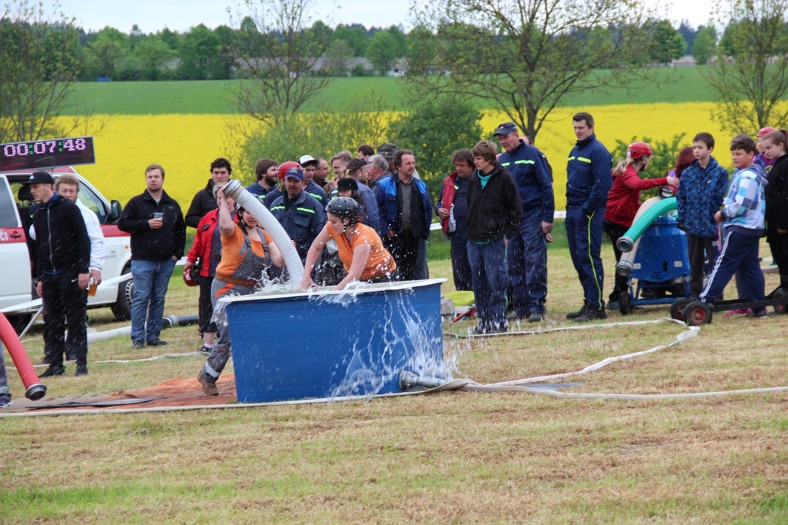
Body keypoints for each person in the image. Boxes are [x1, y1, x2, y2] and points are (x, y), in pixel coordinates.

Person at [197, 187, 285, 396]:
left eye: (256, 212)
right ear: (241, 213)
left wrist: (287, 248)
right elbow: (225, 224)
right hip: (226, 289)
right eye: (248, 212)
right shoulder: (232, 231)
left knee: (255, 333)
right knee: (229, 332)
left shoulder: (265, 236)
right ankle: (208, 375)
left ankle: (256, 375)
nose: (252, 216)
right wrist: (222, 201)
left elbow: (278, 262)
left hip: (251, 292)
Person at [26, 171, 91, 376]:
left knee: (75, 319)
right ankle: (55, 365)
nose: (32, 191)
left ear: (47, 186)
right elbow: (39, 248)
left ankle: (81, 363)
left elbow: (83, 240)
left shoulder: (68, 209)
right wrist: (39, 278)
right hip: (49, 274)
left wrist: (83, 270)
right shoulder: (37, 212)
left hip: (70, 271)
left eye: (35, 187)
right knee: (52, 321)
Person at [699, 134, 768, 316]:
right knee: (750, 266)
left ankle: (705, 299)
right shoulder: (751, 175)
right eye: (733, 154)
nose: (735, 157)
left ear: (750, 154)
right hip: (752, 228)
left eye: (739, 153)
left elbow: (741, 204)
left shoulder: (747, 176)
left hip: (741, 226)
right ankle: (758, 304)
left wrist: (723, 212)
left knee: (723, 263)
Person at [603, 142, 678, 308]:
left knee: (626, 258)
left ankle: (621, 294)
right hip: (615, 219)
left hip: (617, 217)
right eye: (648, 158)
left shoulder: (627, 170)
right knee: (624, 259)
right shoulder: (628, 173)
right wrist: (665, 180)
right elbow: (636, 185)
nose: (649, 161)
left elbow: (629, 200)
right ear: (643, 158)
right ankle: (617, 297)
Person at [118, 164, 186, 349]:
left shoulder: (172, 205)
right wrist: (145, 224)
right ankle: (138, 338)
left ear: (163, 179)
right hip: (142, 260)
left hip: (166, 261)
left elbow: (181, 230)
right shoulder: (135, 203)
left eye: (156, 176)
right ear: (146, 179)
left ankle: (154, 335)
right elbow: (123, 223)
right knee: (141, 298)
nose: (153, 180)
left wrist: (176, 254)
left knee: (158, 298)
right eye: (150, 177)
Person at [494, 121, 554, 322]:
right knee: (514, 263)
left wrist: (547, 217)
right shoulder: (501, 160)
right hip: (511, 219)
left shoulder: (533, 155)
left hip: (532, 214)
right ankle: (519, 306)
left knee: (534, 260)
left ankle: (536, 305)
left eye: (505, 137)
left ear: (515, 135)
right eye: (500, 139)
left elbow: (546, 186)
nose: (503, 141)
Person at [466, 140, 523, 334]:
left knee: (496, 281)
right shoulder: (474, 178)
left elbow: (515, 209)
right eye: (474, 158)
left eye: (479, 158)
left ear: (489, 159)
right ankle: (485, 320)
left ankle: (499, 320)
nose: (475, 162)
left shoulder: (504, 178)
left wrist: (507, 234)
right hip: (474, 240)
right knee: (479, 283)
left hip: (495, 240)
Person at [564, 112, 613, 322]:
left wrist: (587, 209)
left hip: (588, 211)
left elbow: (603, 185)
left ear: (591, 128)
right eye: (575, 127)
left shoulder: (598, 151)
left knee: (589, 257)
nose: (577, 131)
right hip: (572, 208)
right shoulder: (575, 150)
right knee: (578, 258)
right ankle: (588, 301)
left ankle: (597, 306)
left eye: (581, 128)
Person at [300, 197, 398, 291]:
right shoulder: (331, 226)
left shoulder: (364, 237)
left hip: (383, 277)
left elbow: (354, 276)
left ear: (346, 220)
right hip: (355, 276)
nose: (330, 225)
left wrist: (331, 294)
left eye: (334, 222)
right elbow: (315, 247)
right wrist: (306, 276)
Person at [676, 132, 730, 298]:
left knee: (715, 263)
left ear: (710, 149)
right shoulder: (688, 173)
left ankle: (715, 294)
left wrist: (711, 213)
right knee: (695, 263)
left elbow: (718, 197)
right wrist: (684, 218)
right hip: (692, 225)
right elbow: (681, 197)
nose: (696, 151)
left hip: (712, 225)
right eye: (695, 147)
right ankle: (694, 294)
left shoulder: (720, 172)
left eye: (700, 147)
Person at [184, 182, 235, 355]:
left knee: (228, 304)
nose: (224, 201)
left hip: (231, 270)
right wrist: (190, 260)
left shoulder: (240, 217)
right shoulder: (208, 218)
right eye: (221, 197)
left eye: (228, 197)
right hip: (208, 268)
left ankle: (229, 340)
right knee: (207, 305)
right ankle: (208, 343)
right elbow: (198, 242)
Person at [374, 149, 433, 280]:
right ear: (398, 166)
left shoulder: (421, 185)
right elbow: (375, 210)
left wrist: (425, 232)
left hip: (415, 237)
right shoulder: (383, 185)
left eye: (413, 163)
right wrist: (386, 229)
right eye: (408, 163)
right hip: (392, 237)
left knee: (416, 273)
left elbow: (428, 210)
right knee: (391, 272)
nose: (412, 166)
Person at [269, 165, 326, 262]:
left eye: (296, 181)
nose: (292, 184)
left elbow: (319, 236)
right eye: (289, 180)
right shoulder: (275, 205)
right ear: (285, 181)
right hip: (278, 261)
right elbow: (268, 233)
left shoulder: (313, 205)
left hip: (302, 261)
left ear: (302, 183)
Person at [435, 149, 474, 291]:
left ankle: (478, 301)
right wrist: (439, 210)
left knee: (475, 267)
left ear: (471, 165)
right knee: (459, 267)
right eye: (456, 165)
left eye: (462, 165)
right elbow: (439, 202)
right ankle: (463, 299)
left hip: (475, 232)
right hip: (457, 233)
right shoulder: (450, 181)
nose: (459, 168)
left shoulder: (477, 179)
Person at [761, 129, 788, 290]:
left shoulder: (785, 165)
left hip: (782, 226)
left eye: (769, 148)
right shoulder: (776, 165)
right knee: (781, 260)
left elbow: (786, 196)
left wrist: (783, 224)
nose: (766, 153)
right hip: (773, 224)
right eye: (764, 150)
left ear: (780, 145)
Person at [185, 158, 231, 228]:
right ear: (211, 174)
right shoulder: (201, 195)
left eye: (223, 173)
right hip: (208, 237)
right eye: (216, 173)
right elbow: (189, 219)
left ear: (229, 173)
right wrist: (209, 222)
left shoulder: (237, 194)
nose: (219, 176)